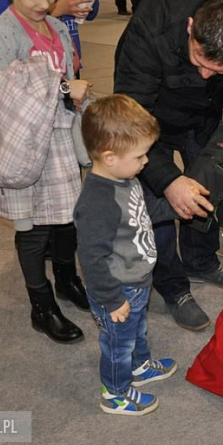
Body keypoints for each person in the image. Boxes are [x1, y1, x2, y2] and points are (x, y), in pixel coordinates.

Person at [114, 0, 223, 331]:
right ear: (190, 27)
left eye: (219, 70)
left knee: (207, 187)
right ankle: (174, 288)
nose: (206, 75)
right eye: (200, 60)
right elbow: (130, 114)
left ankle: (201, 260)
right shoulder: (155, 17)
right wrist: (168, 179)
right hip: (148, 114)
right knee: (157, 204)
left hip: (203, 113)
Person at [0, 0, 94, 344]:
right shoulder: (2, 33)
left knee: (67, 220)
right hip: (26, 144)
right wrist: (65, 89)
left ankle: (66, 279)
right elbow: (3, 92)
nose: (44, 3)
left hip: (62, 140)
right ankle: (41, 304)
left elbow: (68, 78)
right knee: (32, 230)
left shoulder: (60, 27)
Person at [74, 94, 177, 416]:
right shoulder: (97, 202)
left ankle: (140, 367)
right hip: (116, 287)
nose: (146, 162)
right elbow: (91, 258)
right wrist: (112, 298)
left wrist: (176, 208)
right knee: (118, 344)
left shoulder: (125, 178)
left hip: (136, 278)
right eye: (140, 155)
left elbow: (140, 213)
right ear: (110, 157)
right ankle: (115, 394)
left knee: (137, 329)